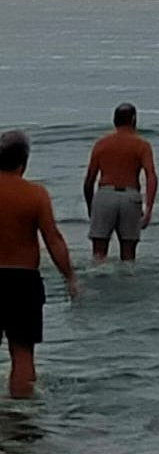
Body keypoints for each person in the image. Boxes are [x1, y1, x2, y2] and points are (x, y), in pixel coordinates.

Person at [0, 131, 79, 399]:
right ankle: (20, 416)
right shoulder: (35, 195)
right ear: (24, 161)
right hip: (23, 282)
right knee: (22, 354)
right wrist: (69, 276)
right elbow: (53, 239)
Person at [82, 103, 159, 264]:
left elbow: (89, 181)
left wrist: (91, 207)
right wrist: (149, 208)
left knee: (98, 253)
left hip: (105, 195)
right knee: (128, 254)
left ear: (114, 120)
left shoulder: (101, 144)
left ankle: (97, 285)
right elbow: (151, 176)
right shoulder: (142, 145)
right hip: (130, 197)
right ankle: (128, 284)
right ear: (133, 120)